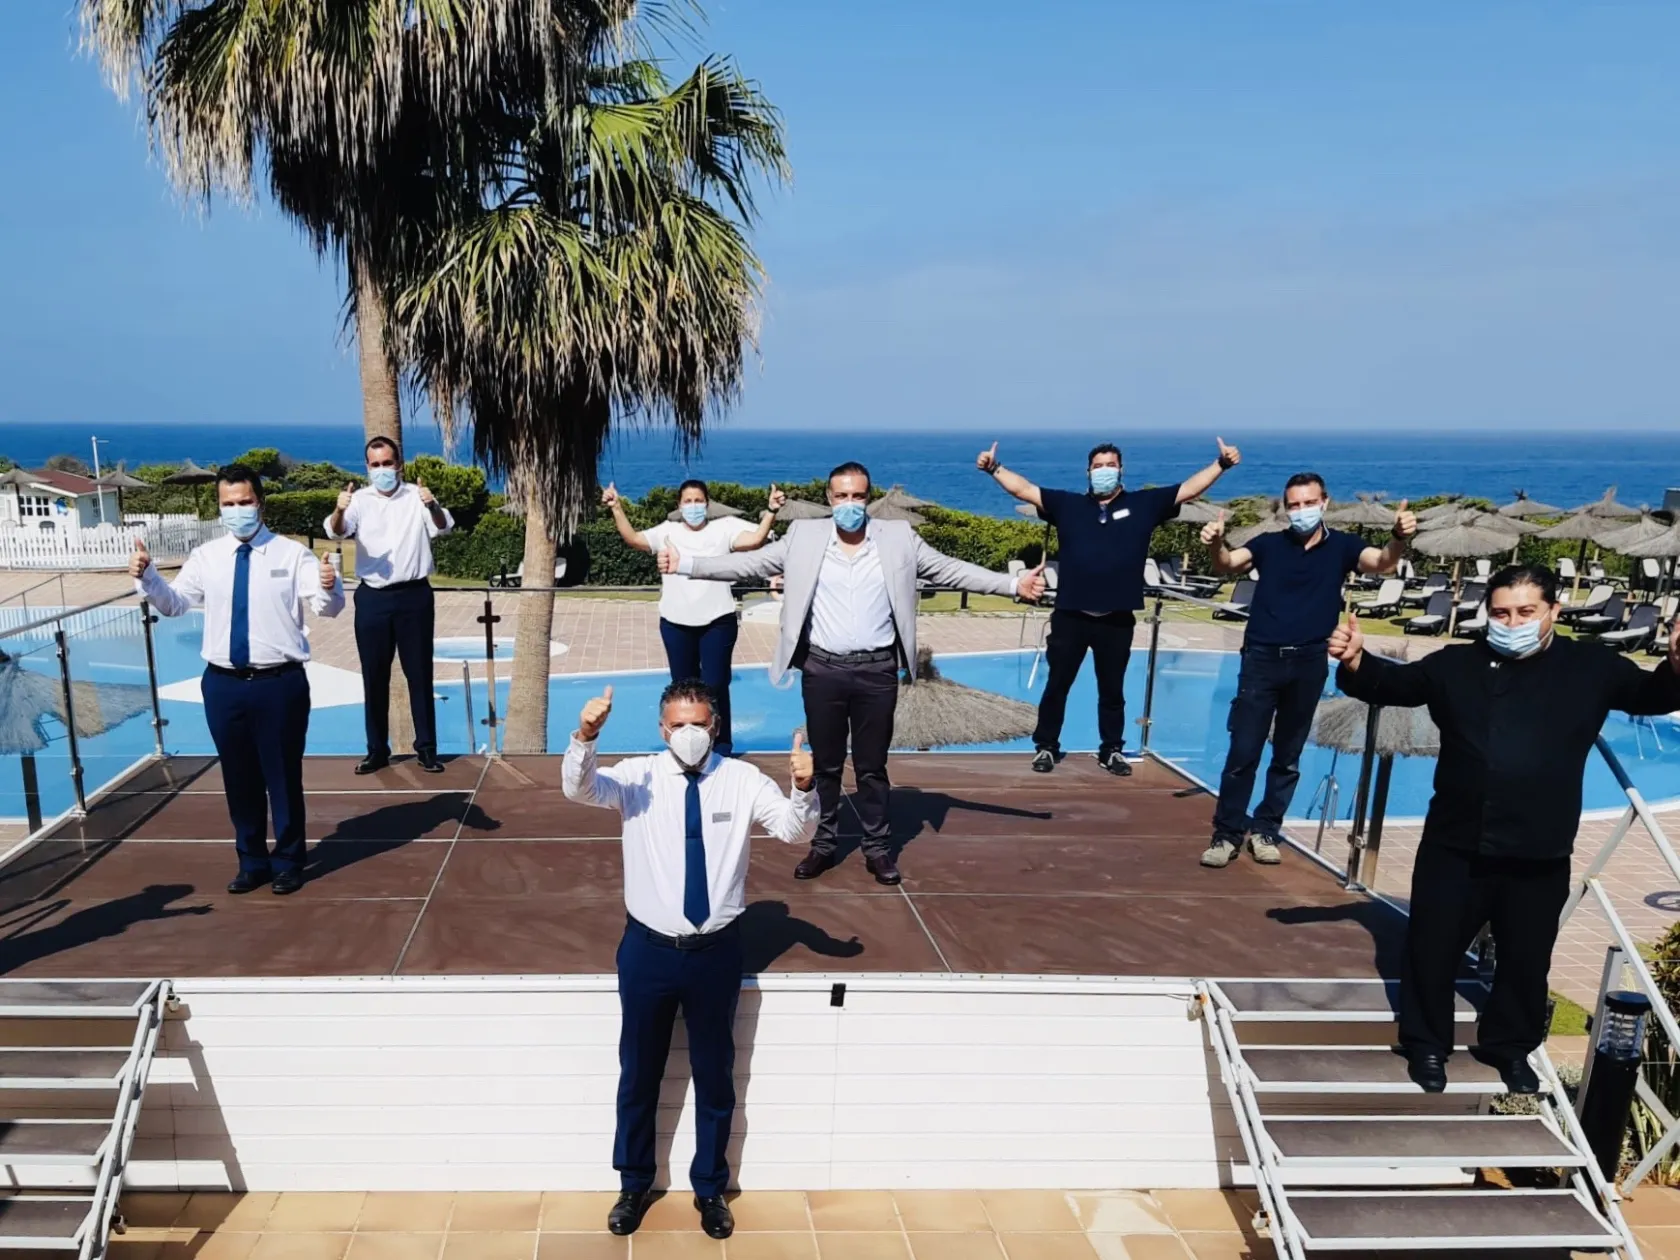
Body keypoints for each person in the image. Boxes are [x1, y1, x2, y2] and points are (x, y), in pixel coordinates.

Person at [1329, 565, 1680, 1094]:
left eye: (1525, 612)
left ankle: (1508, 1047)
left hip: (1540, 847)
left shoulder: (1592, 666)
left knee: (1527, 956)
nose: (1511, 621)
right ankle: (1426, 1045)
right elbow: (1397, 685)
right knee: (1432, 946)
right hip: (1456, 843)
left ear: (1553, 613)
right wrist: (1356, 661)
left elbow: (1651, 696)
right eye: (1500, 613)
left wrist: (1676, 664)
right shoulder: (1458, 664)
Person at [657, 461, 1047, 885]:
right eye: (841, 496)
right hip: (822, 668)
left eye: (858, 496)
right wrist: (686, 563)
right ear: (829, 499)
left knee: (872, 767)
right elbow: (747, 565)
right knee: (825, 765)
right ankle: (823, 844)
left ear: (869, 499)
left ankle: (877, 849)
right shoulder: (804, 537)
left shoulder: (897, 538)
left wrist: (1012, 585)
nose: (849, 504)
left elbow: (950, 568)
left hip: (877, 669)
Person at [562, 678, 816, 1240]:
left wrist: (803, 786)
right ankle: (633, 1183)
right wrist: (585, 735)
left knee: (716, 1077)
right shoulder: (637, 777)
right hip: (648, 950)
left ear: (715, 728)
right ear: (662, 730)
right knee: (639, 1073)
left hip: (716, 952)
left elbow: (796, 833)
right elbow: (579, 790)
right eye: (678, 725)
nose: (689, 734)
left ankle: (710, 1189)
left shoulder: (743, 780)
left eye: (698, 724)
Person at [131, 463, 344, 895]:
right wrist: (148, 577)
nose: (237, 510)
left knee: (282, 775)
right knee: (238, 776)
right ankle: (251, 861)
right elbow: (174, 605)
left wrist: (328, 584)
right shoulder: (206, 557)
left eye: (244, 502)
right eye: (228, 504)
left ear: (260, 502)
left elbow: (327, 608)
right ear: (219, 507)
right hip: (223, 684)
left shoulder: (292, 555)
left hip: (279, 683)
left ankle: (288, 861)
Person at [977, 437, 1240, 775]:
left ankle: (1111, 749)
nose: (1104, 471)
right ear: (1088, 472)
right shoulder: (1067, 505)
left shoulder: (1145, 504)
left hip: (1116, 619)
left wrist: (1222, 464)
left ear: (1121, 470)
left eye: (1110, 465)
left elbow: (1188, 489)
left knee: (1112, 690)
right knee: (1057, 685)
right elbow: (1024, 490)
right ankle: (1046, 746)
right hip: (1071, 615)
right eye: (1098, 466)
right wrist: (994, 468)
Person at [1198, 476, 1418, 868]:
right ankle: (1226, 833)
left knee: (1288, 755)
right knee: (1243, 752)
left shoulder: (1344, 547)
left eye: (1308, 503)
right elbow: (1227, 564)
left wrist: (1399, 537)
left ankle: (1267, 829)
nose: (1301, 511)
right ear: (1286, 508)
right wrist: (1216, 542)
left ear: (1325, 503)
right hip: (1261, 661)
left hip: (1309, 662)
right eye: (1294, 505)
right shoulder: (1268, 545)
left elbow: (1383, 562)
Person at [603, 479, 786, 756]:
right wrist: (616, 507)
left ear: (707, 504)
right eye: (688, 501)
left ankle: (721, 742)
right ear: (679, 506)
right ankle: (685, 743)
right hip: (676, 623)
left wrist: (771, 511)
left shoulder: (724, 528)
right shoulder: (668, 531)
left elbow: (755, 540)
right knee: (682, 687)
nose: (693, 506)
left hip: (718, 621)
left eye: (698, 501)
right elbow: (635, 539)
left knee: (715, 684)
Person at [324, 436, 454, 775]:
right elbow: (338, 531)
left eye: (387, 463)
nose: (382, 470)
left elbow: (443, 527)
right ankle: (376, 751)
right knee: (374, 676)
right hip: (373, 597)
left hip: (414, 595)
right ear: (368, 467)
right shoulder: (359, 500)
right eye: (375, 464)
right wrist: (339, 508)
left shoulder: (417, 496)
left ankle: (426, 749)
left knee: (420, 674)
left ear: (399, 464)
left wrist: (432, 504)